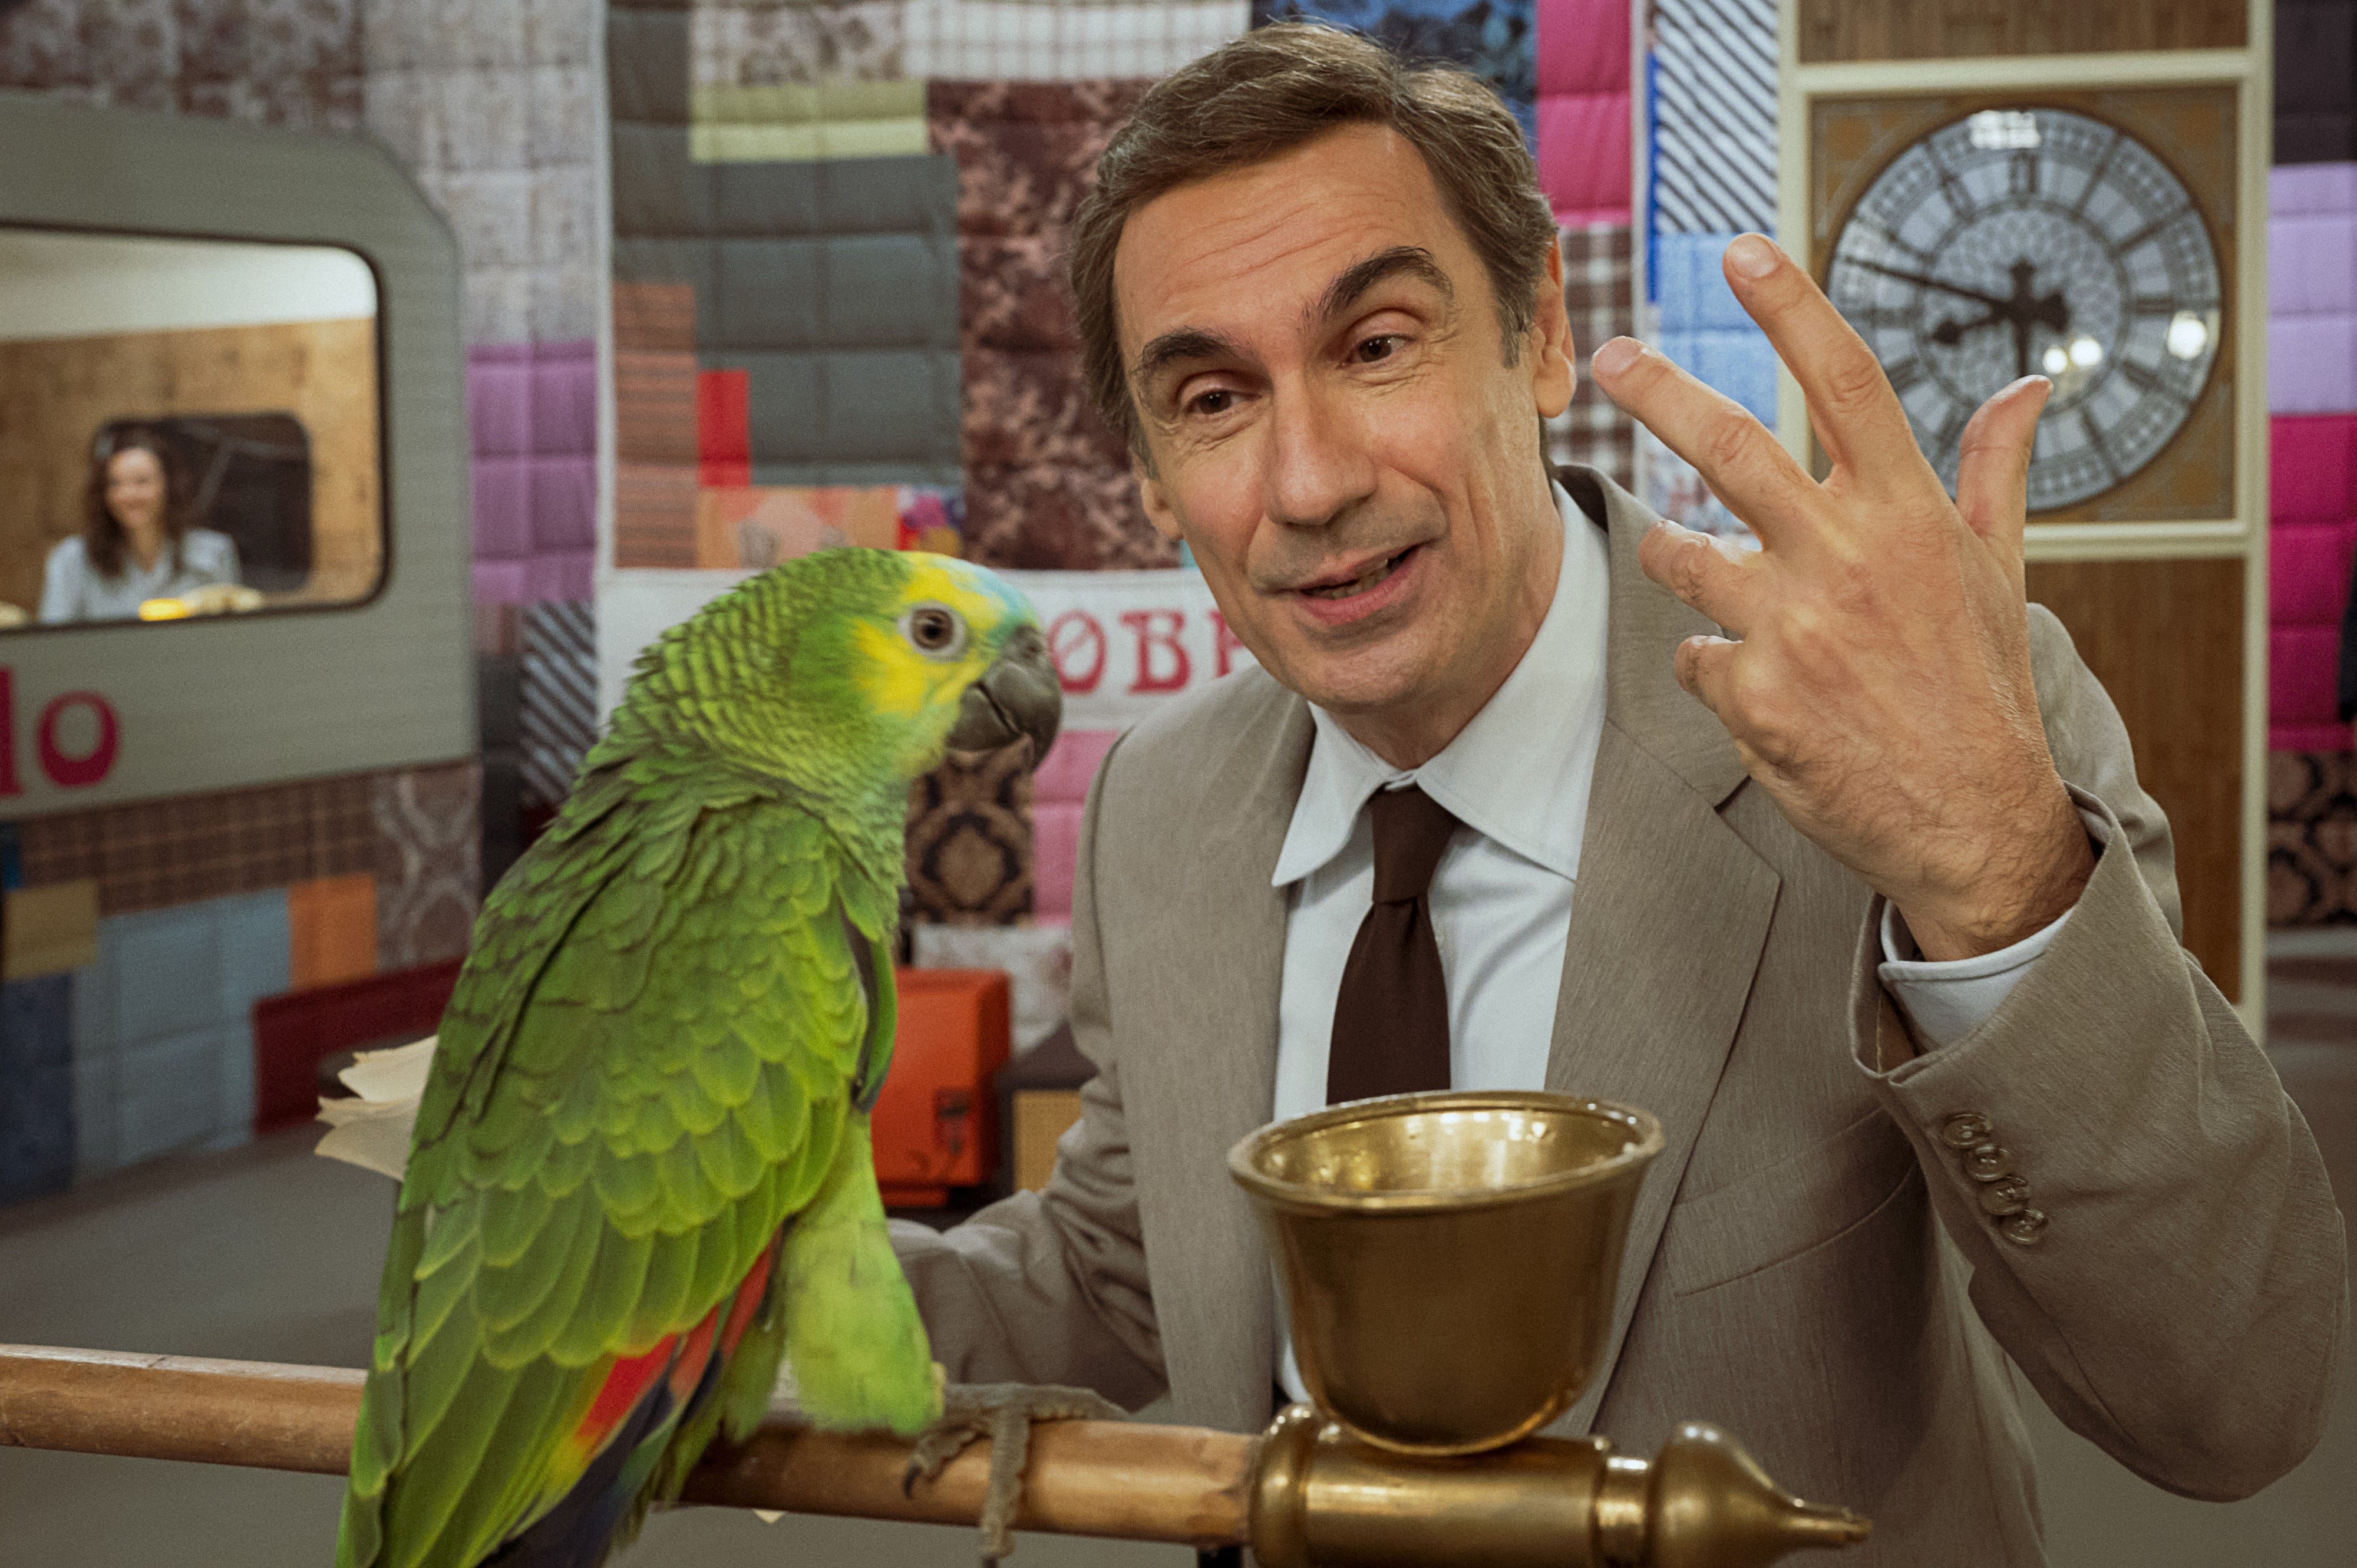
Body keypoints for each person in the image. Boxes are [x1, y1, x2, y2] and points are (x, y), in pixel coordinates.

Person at [889, 26, 2347, 1564]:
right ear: (1150, 475)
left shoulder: (1908, 726)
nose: (1308, 483)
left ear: (1536, 334)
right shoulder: (1159, 803)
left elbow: (2230, 1397)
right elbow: (1127, 1261)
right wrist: (726, 1302)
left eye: (1376, 344)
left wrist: (1993, 869)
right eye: (1211, 397)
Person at [38, 427, 240, 623]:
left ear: (168, 485)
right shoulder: (71, 560)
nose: (129, 495)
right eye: (115, 483)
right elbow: (53, 640)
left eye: (142, 482)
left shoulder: (214, 553)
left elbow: (231, 635)